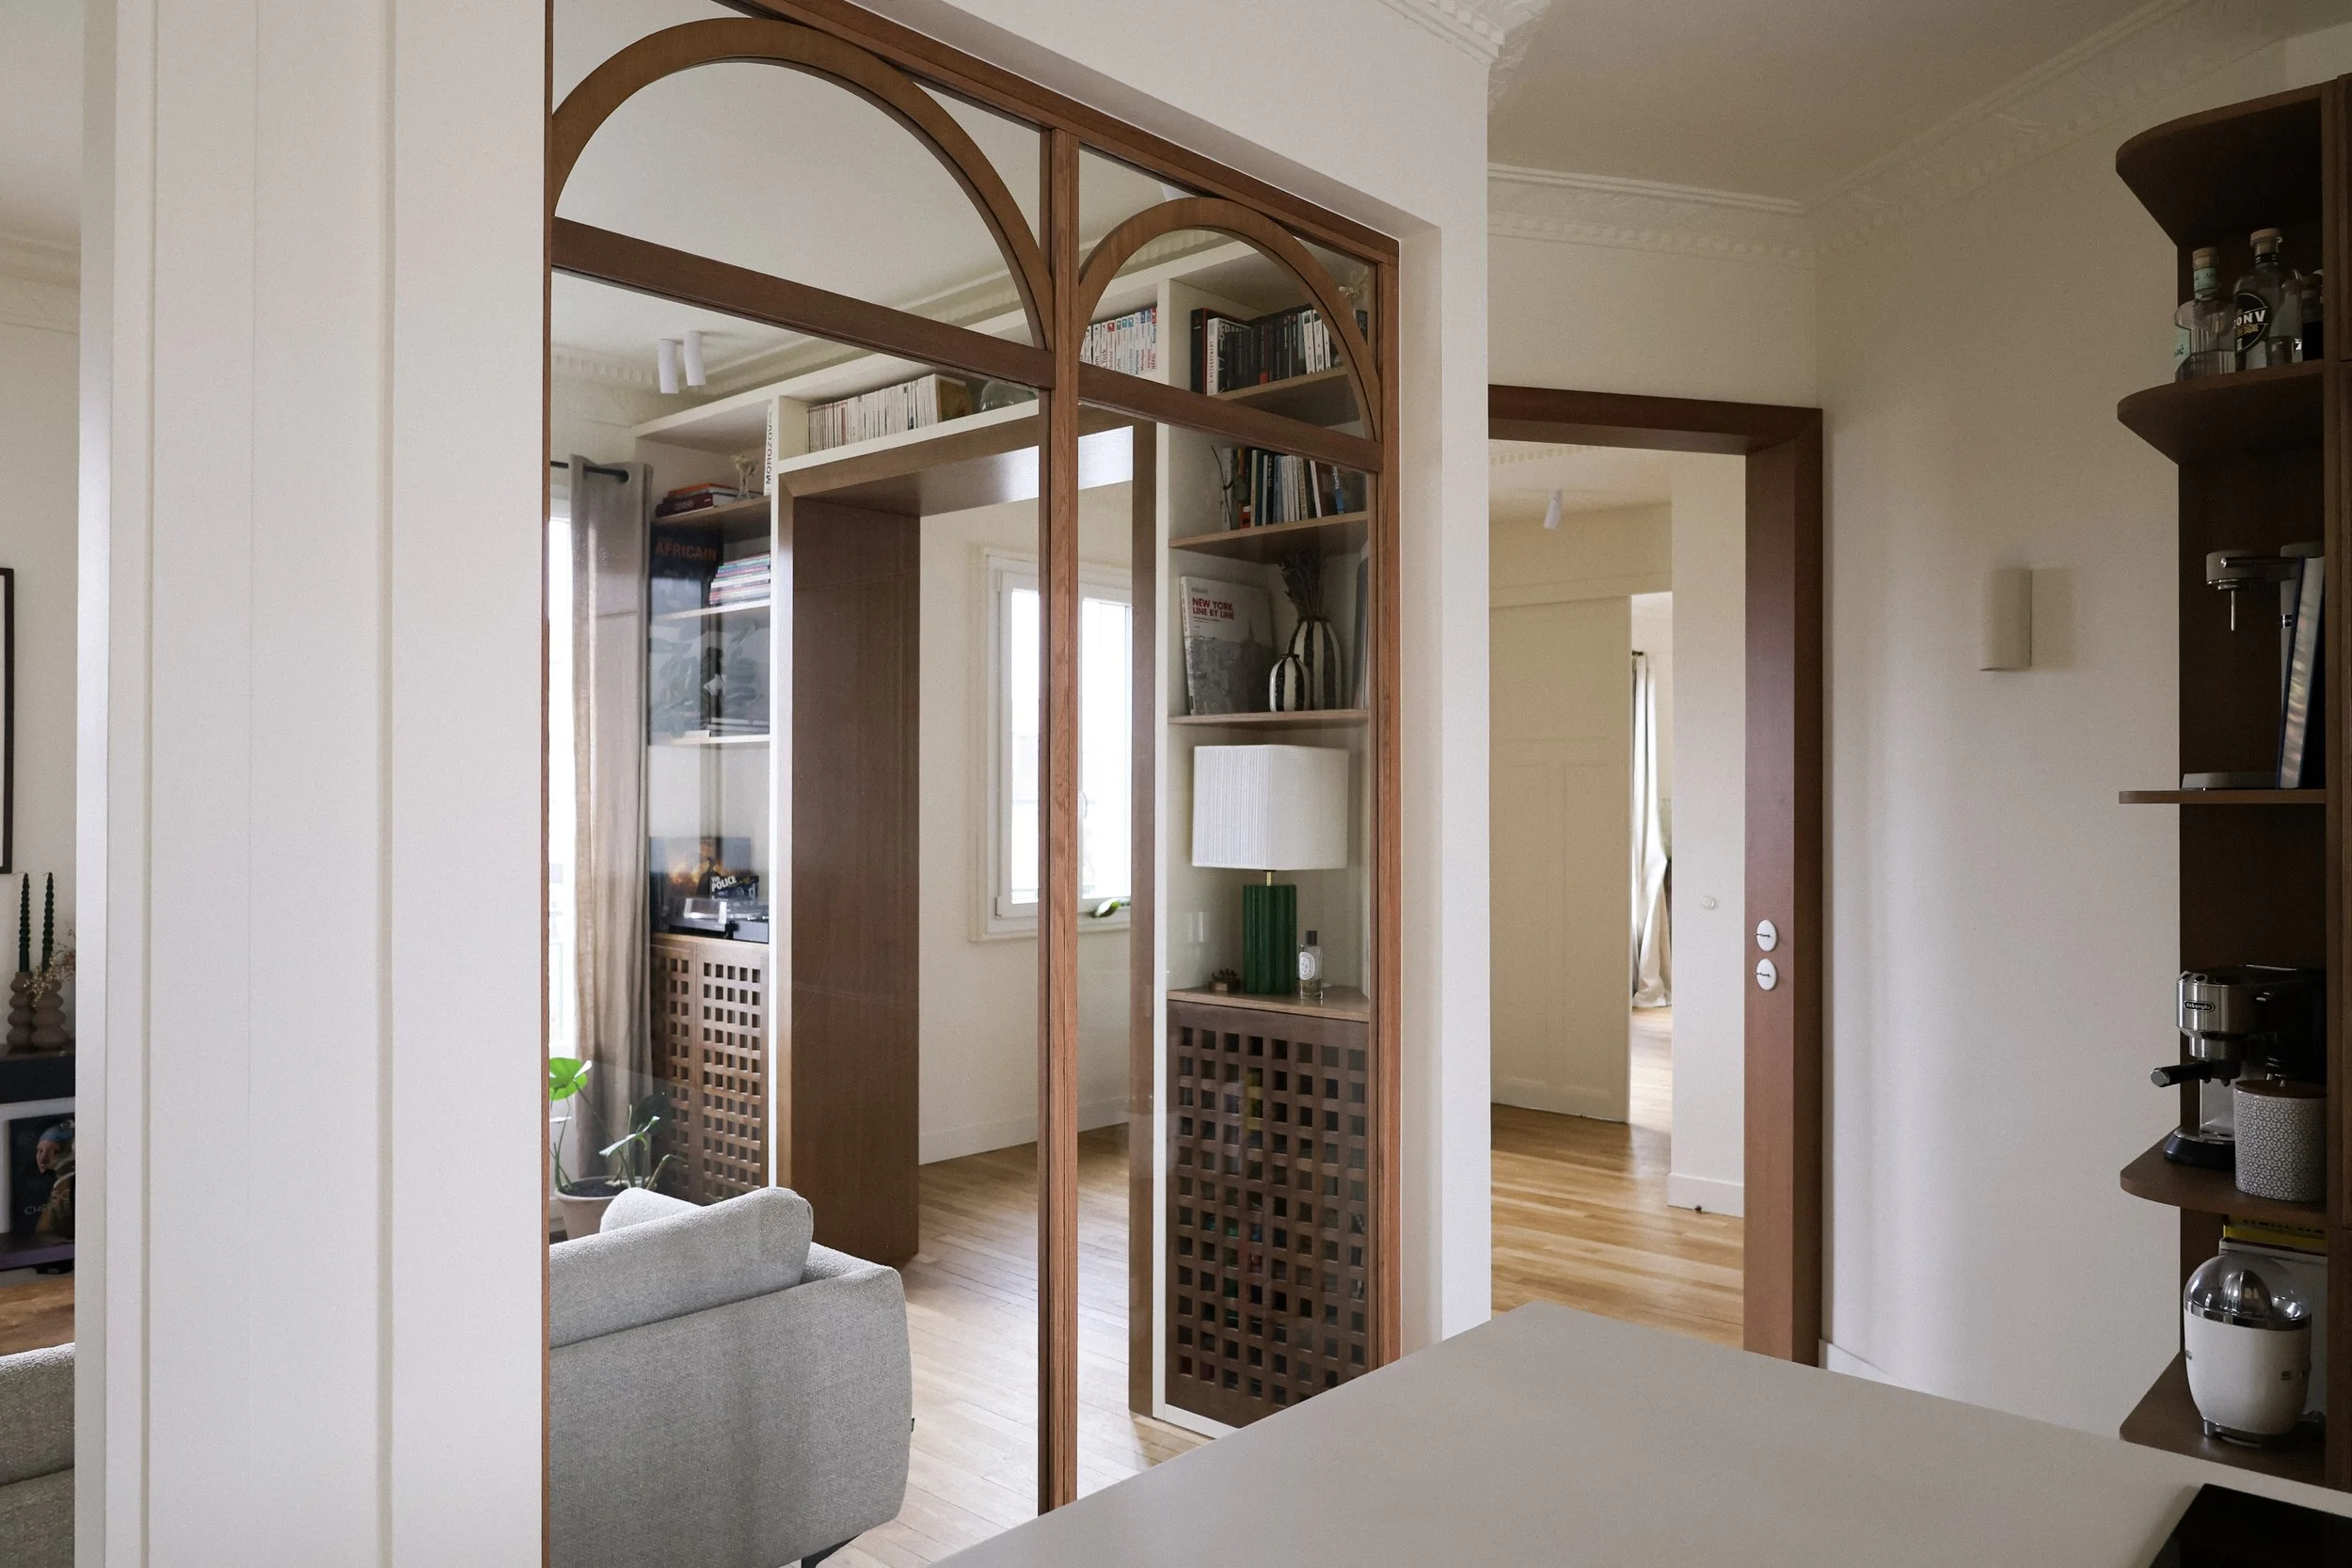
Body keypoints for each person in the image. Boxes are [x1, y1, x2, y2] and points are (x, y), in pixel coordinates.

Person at [32, 1118, 72, 1241]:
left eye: (56, 1151)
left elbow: (43, 1233)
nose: (43, 1159)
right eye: (40, 1151)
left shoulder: (64, 1186)